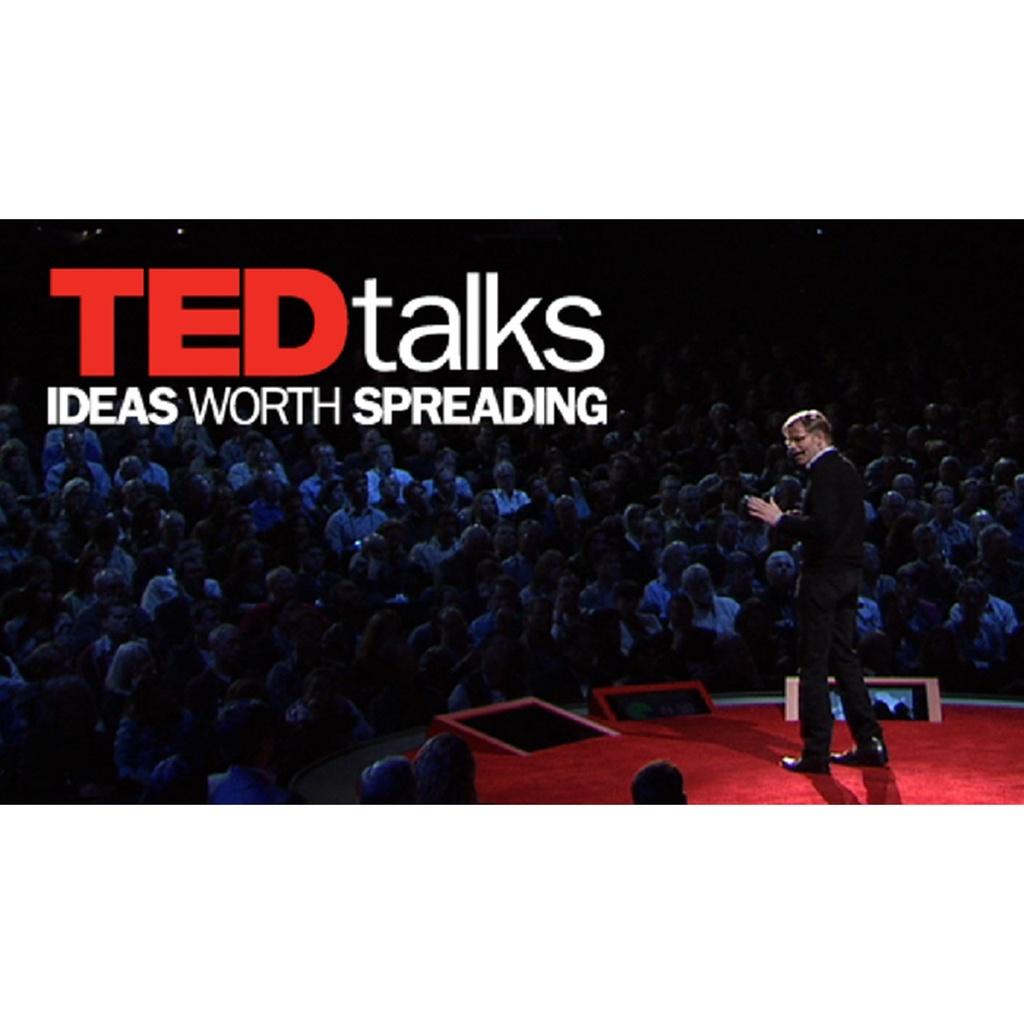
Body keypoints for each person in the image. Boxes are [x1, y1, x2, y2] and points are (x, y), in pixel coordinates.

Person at [747, 409, 887, 773]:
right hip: (849, 575)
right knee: (845, 658)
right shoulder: (846, 469)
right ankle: (870, 742)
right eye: (788, 441)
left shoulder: (823, 472)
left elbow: (823, 529)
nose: (791, 447)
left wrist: (781, 520)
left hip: (823, 577)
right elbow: (837, 524)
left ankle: (815, 752)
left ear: (820, 437)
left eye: (798, 439)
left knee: (813, 664)